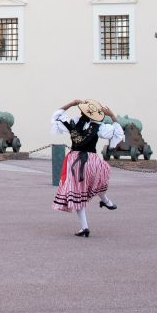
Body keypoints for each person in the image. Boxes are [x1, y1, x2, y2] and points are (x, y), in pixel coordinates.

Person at [51, 99, 125, 237]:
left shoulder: (72, 123)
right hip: (92, 160)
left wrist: (72, 103)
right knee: (98, 182)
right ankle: (106, 201)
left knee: (78, 193)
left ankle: (85, 227)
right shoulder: (99, 126)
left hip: (76, 161)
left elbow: (56, 115)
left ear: (81, 111)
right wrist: (112, 115)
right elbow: (117, 133)